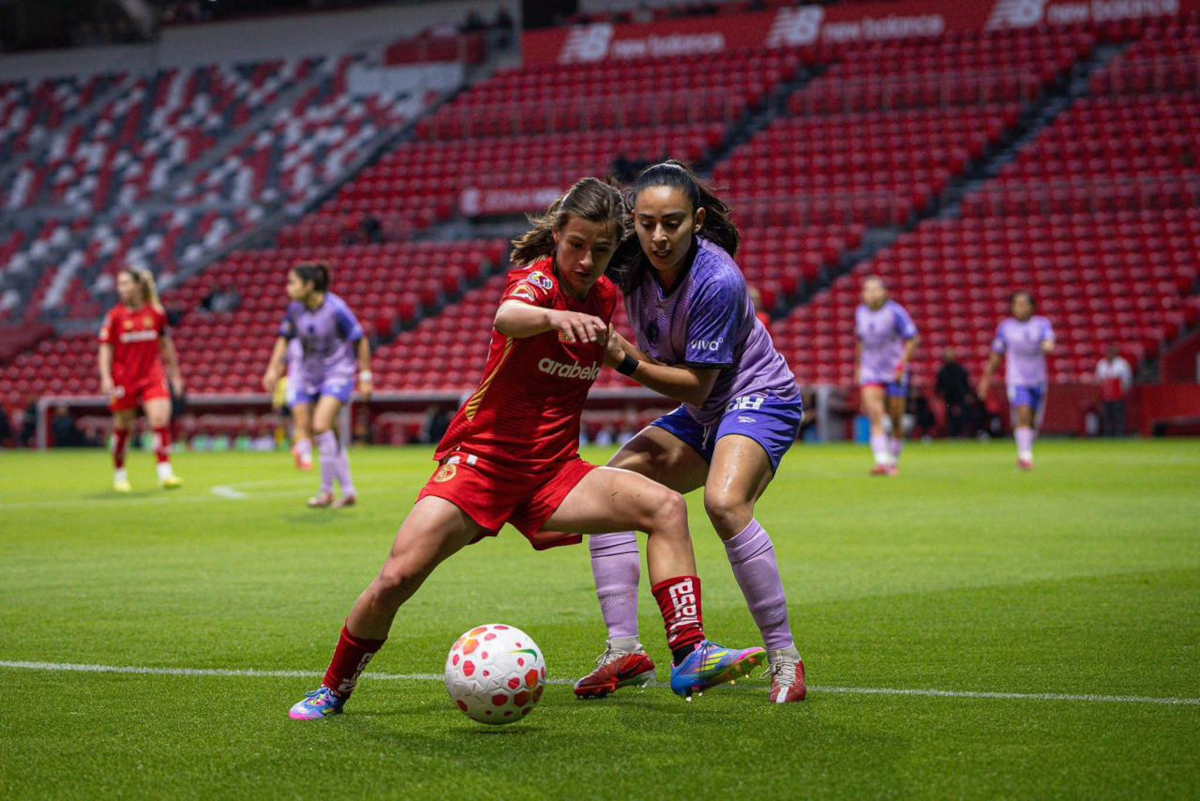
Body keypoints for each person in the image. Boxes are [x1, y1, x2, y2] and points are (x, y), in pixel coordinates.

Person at [286, 178, 764, 721]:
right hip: (482, 466)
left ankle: (689, 651)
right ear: (557, 235)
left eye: (601, 250)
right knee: (397, 577)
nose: (585, 261)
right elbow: (507, 316)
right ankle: (334, 688)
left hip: (553, 473)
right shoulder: (535, 283)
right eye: (576, 245)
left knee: (666, 507)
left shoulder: (606, 296)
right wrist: (555, 317)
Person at [577, 161, 806, 705]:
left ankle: (785, 657)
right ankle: (624, 651)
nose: (659, 236)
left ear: (697, 221)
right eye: (647, 223)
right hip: (705, 414)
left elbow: (699, 388)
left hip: (758, 397)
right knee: (609, 491)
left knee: (724, 503)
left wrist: (624, 359)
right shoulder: (632, 260)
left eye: (673, 223)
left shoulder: (717, 280)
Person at [261, 262, 370, 508]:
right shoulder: (295, 310)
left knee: (320, 425)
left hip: (338, 374)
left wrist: (365, 376)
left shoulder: (336, 308)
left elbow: (360, 339)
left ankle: (326, 490)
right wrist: (273, 369)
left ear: (309, 285)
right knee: (332, 433)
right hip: (312, 376)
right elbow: (284, 339)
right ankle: (348, 491)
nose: (288, 288)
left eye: (292, 283)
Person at [98, 268, 184, 492]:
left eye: (126, 283)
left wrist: (175, 375)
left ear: (138, 285)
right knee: (123, 427)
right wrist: (106, 377)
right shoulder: (114, 316)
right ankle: (120, 474)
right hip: (124, 378)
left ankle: (165, 473)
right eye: (119, 284)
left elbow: (166, 345)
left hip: (152, 376)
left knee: (159, 419)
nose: (121, 289)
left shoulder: (156, 314)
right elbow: (106, 348)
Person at [978, 291, 1055, 470]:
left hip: (1038, 379)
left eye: (1024, 304)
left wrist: (1047, 345)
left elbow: (1049, 342)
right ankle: (1025, 456)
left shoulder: (1041, 324)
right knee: (1023, 414)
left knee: (1033, 421)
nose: (1020, 308)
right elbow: (997, 356)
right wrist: (986, 379)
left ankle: (1025, 449)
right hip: (1017, 379)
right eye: (1017, 304)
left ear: (1032, 307)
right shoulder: (1006, 328)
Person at [855, 276, 918, 475]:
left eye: (875, 289)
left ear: (884, 292)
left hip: (893, 372)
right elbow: (860, 341)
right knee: (876, 415)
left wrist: (902, 365)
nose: (872, 294)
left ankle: (893, 460)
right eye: (868, 290)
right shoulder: (860, 313)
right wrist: (858, 367)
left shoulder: (895, 312)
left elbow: (912, 339)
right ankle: (882, 462)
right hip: (871, 372)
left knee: (896, 420)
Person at [1095, 344, 1132, 437]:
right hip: (1106, 394)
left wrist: (1123, 390)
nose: (1109, 355)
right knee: (1107, 416)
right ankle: (1108, 434)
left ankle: (1120, 434)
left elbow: (1127, 379)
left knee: (1119, 415)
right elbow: (1098, 379)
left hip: (1118, 394)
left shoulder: (1122, 364)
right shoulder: (1101, 364)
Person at [934, 348, 972, 438]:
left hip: (961, 398)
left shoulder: (961, 370)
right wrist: (939, 396)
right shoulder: (942, 371)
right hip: (948, 399)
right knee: (950, 416)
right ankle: (952, 434)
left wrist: (968, 395)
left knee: (964, 415)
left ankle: (965, 434)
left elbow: (966, 384)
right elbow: (938, 386)